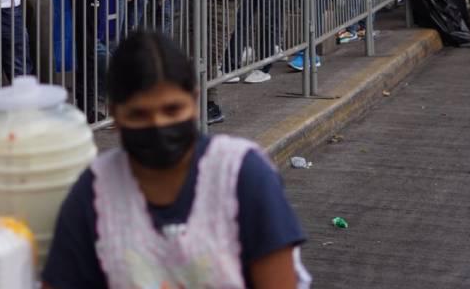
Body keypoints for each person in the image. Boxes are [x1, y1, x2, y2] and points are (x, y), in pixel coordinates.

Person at [42, 31, 309, 289]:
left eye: (172, 109)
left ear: (194, 101)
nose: (158, 125)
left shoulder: (241, 174)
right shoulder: (95, 191)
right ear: (115, 115)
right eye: (139, 115)